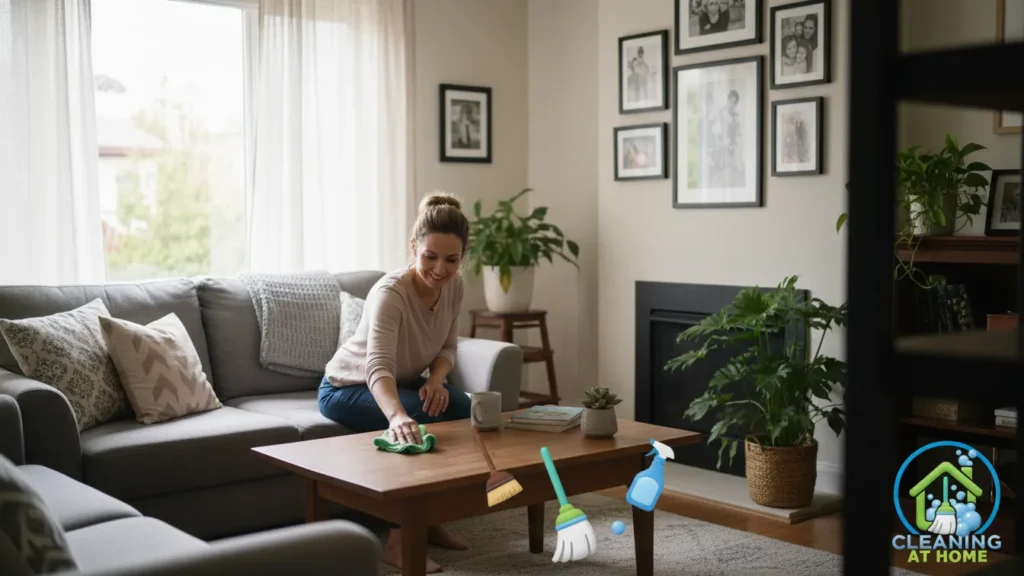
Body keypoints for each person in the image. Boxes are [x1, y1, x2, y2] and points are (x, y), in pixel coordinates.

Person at [320, 192, 473, 574]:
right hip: (347, 386)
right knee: (417, 419)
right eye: (430, 257)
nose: (440, 269)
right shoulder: (390, 293)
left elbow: (448, 346)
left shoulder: (455, 286)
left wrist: (437, 380)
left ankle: (431, 518)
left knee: (460, 407)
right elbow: (377, 367)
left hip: (402, 381)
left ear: (462, 257)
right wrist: (397, 416)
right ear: (413, 248)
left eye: (451, 259)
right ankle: (397, 539)